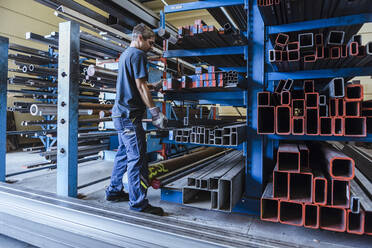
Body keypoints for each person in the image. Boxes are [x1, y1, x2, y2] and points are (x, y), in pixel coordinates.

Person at [105, 23, 167, 216]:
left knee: (124, 155)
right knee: (137, 158)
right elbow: (140, 88)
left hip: (120, 114)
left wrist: (153, 85)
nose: (152, 47)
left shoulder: (125, 54)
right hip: (130, 116)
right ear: (139, 37)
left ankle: (113, 192)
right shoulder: (139, 55)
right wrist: (155, 111)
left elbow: (138, 84)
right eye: (150, 42)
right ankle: (138, 202)